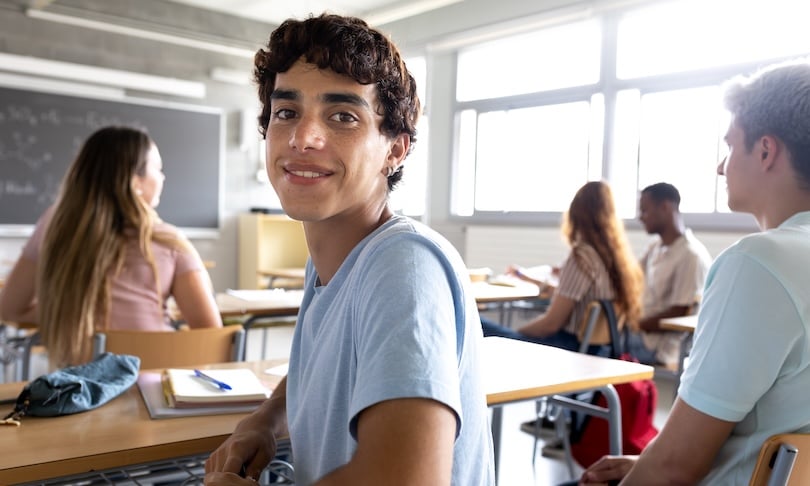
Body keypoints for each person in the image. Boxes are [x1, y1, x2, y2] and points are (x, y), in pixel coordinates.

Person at [204, 14, 494, 486]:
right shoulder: (331, 262)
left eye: (343, 116)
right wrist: (265, 420)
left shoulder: (404, 266)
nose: (303, 137)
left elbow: (408, 480)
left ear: (395, 150)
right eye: (286, 112)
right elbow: (318, 368)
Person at [574, 59, 810, 485]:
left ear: (765, 151)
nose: (722, 166)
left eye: (730, 146)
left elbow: (674, 468)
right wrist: (645, 463)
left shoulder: (759, 263)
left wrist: (654, 466)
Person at [0, 126, 222, 367]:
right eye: (157, 169)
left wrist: (67, 309)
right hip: (153, 389)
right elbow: (211, 336)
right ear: (135, 181)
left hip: (79, 391)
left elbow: (10, 309)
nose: (163, 177)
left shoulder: (54, 225)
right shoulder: (169, 242)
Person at [481, 181, 644, 356]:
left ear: (575, 214)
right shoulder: (616, 260)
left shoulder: (582, 257)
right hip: (598, 352)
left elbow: (550, 324)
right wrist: (527, 278)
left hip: (567, 349)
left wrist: (514, 335)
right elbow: (571, 296)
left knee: (477, 323)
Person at [624, 182, 712, 368]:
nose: (641, 217)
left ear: (664, 207)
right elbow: (629, 275)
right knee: (591, 334)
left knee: (595, 341)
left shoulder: (691, 255)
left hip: (657, 346)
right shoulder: (656, 247)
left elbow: (679, 312)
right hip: (641, 333)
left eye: (644, 211)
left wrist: (634, 323)